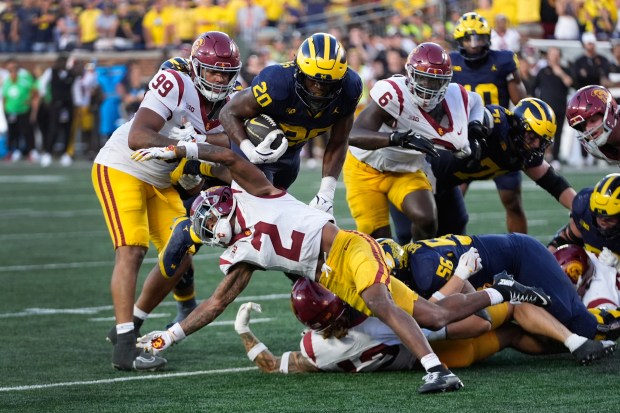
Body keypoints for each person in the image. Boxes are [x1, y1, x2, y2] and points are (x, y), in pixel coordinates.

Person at [130, 141, 551, 393]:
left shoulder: (256, 192)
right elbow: (216, 303)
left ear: (223, 207)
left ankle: (437, 371)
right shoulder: (242, 254)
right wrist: (169, 337)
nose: (208, 232)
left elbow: (227, 156)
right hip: (332, 278)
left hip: (349, 250)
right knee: (431, 314)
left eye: (208, 223)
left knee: (383, 306)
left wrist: (180, 149)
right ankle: (504, 291)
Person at [91, 31, 241, 372]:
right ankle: (126, 346)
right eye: (213, 71)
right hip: (122, 166)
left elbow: (224, 150)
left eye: (225, 73)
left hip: (162, 180)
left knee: (182, 247)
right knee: (132, 248)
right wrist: (188, 147)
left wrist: (197, 153)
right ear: (196, 67)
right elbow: (138, 135)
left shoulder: (231, 103)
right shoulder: (175, 81)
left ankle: (134, 325)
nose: (219, 79)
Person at [232, 279, 615, 374]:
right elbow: (442, 316)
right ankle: (577, 342)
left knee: (512, 337)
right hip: (443, 346)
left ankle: (568, 349)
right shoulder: (378, 321)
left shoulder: (320, 349)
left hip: (443, 357)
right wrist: (463, 280)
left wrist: (244, 332)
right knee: (511, 309)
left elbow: (272, 365)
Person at [344, 41, 480, 243]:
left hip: (405, 169)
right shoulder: (394, 93)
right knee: (379, 241)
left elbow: (476, 101)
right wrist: (397, 138)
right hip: (364, 169)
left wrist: (474, 127)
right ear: (410, 75)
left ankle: (416, 261)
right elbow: (354, 135)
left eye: (435, 82)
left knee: (427, 220)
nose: (428, 88)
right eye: (423, 79)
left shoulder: (455, 96)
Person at [218, 32, 362, 214]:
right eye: (313, 80)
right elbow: (228, 112)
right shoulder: (277, 83)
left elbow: (339, 141)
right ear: (299, 72)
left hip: (290, 156)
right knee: (264, 211)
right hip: (255, 146)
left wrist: (326, 193)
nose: (319, 89)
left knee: (277, 217)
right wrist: (248, 150)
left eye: (327, 84)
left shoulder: (349, 89)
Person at [379, 234, 620, 343]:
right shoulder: (414, 262)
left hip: (521, 257)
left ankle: (610, 307)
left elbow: (435, 313)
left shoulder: (424, 269)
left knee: (587, 328)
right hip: (501, 270)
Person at [427, 98, 575, 236]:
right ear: (517, 126)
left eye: (541, 141)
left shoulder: (523, 151)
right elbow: (476, 113)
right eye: (532, 137)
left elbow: (553, 183)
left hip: (446, 184)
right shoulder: (497, 125)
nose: (536, 145)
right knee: (420, 225)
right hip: (424, 173)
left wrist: (581, 209)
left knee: (455, 229)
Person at [449, 11, 529, 234]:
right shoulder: (451, 63)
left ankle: (522, 250)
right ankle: (450, 251)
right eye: (468, 39)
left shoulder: (502, 61)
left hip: (500, 140)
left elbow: (522, 102)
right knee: (452, 202)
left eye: (479, 38)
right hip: (463, 140)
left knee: (512, 201)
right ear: (459, 40)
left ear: (488, 38)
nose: (473, 45)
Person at [564, 85, 620, 165]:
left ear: (610, 111)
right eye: (583, 126)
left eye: (593, 120)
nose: (588, 129)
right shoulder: (597, 150)